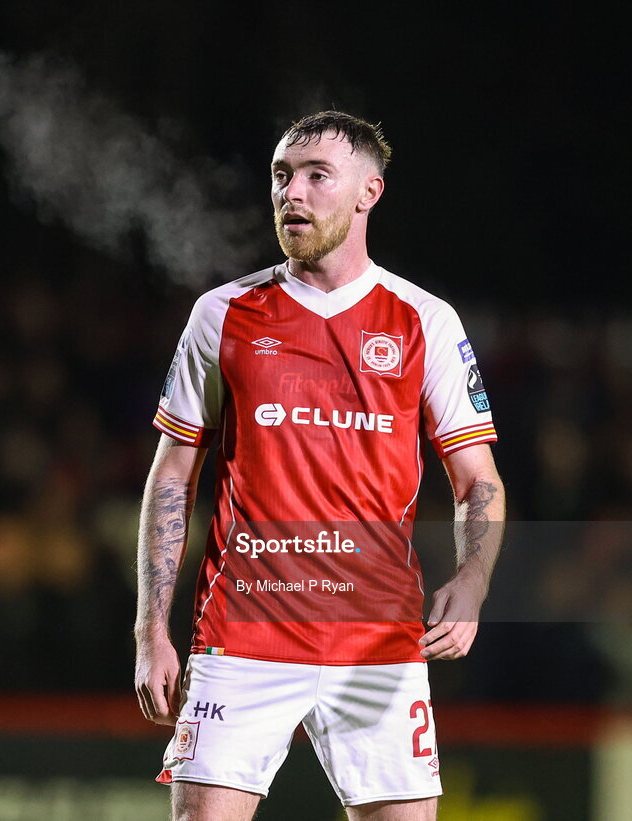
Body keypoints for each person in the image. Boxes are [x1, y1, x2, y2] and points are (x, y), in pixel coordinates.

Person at [135, 111, 505, 821]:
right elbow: (172, 476)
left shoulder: (423, 320)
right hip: (243, 637)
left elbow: (477, 480)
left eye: (315, 176)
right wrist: (151, 627)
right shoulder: (224, 313)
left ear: (369, 192)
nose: (291, 192)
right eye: (280, 175)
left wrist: (473, 579)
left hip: (378, 641)